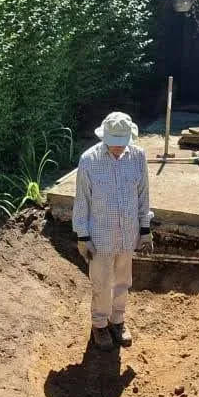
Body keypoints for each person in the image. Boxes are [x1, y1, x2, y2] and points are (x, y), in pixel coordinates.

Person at [73, 111, 153, 351]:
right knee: (101, 283)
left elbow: (143, 196)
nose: (118, 148)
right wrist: (82, 236)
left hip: (128, 235)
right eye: (113, 143)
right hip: (99, 238)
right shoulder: (89, 161)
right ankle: (99, 325)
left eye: (122, 143)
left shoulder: (138, 157)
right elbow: (82, 201)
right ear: (104, 138)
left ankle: (117, 321)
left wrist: (145, 229)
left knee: (122, 282)